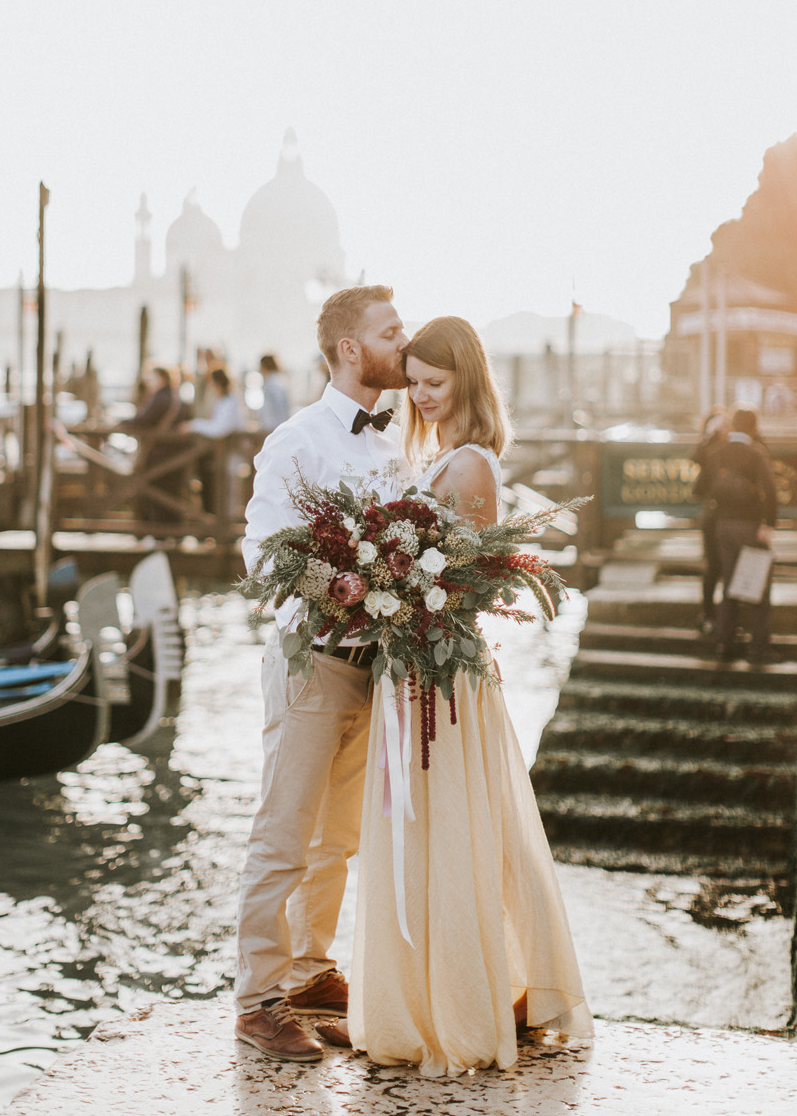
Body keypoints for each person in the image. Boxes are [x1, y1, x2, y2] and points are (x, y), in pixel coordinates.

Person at [318, 316, 593, 1076]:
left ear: (466, 380)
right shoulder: (434, 456)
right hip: (411, 669)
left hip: (438, 678)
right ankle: (420, 999)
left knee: (447, 834)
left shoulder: (469, 464)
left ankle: (458, 1008)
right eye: (414, 384)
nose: (421, 397)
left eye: (434, 384)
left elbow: (458, 590)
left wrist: (386, 592)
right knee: (421, 834)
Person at [235, 284, 409, 1063]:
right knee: (283, 833)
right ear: (349, 349)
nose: (402, 345)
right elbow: (261, 552)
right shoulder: (296, 438)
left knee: (337, 837)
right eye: (390, 332)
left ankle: (310, 970)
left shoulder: (390, 444)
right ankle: (257, 1000)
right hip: (312, 660)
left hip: (374, 668)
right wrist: (338, 586)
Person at [705, 405, 778, 664]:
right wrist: (768, 524)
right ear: (754, 427)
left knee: (729, 586)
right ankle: (758, 649)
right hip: (750, 527)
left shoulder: (718, 454)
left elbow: (705, 487)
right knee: (756, 585)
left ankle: (724, 645)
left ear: (733, 426)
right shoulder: (756, 454)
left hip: (723, 526)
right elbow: (770, 491)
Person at [117, 366, 190, 524]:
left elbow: (143, 420)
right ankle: (172, 533)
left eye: (152, 378)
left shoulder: (161, 398)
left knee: (158, 493)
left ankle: (159, 533)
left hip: (160, 453)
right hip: (174, 454)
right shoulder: (176, 397)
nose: (149, 382)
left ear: (162, 379)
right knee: (171, 494)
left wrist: (120, 423)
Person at [691, 406, 728, 636]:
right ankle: (707, 614)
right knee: (712, 566)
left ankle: (724, 617)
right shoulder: (709, 448)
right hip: (713, 516)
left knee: (729, 567)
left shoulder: (735, 447)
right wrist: (708, 434)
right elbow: (694, 457)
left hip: (730, 515)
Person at [187, 368, 244, 515]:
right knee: (225, 488)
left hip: (231, 451)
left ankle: (228, 523)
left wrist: (194, 425)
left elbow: (220, 428)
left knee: (229, 489)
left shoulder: (229, 401)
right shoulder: (224, 401)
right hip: (225, 452)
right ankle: (224, 521)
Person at [258, 354, 291, 433]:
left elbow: (280, 409)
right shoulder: (272, 383)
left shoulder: (274, 384)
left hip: (274, 428)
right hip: (273, 428)